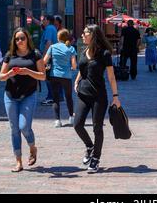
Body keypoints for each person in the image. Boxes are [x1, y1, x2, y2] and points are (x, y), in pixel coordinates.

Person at [74, 25, 121, 174]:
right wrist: (76, 81)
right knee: (77, 124)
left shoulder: (104, 54)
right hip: (83, 94)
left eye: (85, 33)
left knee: (97, 127)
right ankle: (89, 146)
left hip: (98, 97)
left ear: (93, 35)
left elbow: (111, 77)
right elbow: (82, 70)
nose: (82, 35)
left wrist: (116, 97)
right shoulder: (83, 51)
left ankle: (96, 158)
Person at [0, 28, 46, 172]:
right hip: (10, 96)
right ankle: (18, 161)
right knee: (14, 129)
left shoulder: (35, 54)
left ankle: (32, 147)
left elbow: (43, 76)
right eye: (17, 39)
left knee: (24, 126)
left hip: (28, 95)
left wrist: (28, 72)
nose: (19, 41)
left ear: (28, 39)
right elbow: (1, 77)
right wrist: (9, 74)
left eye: (22, 38)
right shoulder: (10, 55)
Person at [43, 29, 77, 128]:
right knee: (68, 97)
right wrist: (71, 67)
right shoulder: (70, 48)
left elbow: (44, 61)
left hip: (54, 75)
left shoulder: (52, 47)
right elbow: (74, 66)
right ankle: (71, 117)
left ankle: (57, 120)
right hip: (66, 76)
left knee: (56, 98)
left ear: (58, 38)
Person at [39, 15, 58, 105]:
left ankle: (51, 98)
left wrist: (43, 58)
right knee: (50, 77)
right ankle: (54, 96)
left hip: (49, 57)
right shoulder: (51, 28)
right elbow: (40, 24)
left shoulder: (49, 29)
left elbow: (48, 43)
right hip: (51, 56)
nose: (42, 21)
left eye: (43, 19)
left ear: (47, 20)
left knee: (48, 78)